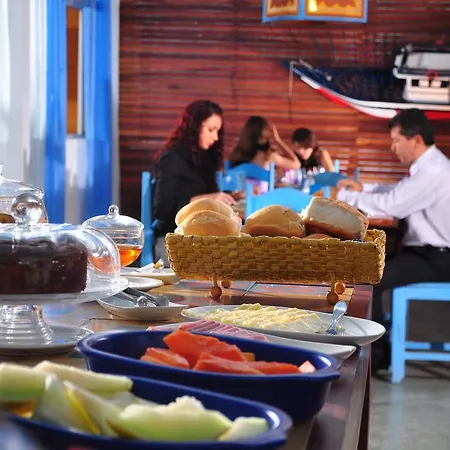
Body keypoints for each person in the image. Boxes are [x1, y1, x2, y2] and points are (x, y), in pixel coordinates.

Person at [336, 108, 450, 371]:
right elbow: (398, 191)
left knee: (369, 277)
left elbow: (393, 205)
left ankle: (376, 355)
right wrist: (363, 188)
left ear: (416, 139)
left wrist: (346, 197)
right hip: (426, 254)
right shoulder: (428, 166)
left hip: (437, 258)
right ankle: (376, 346)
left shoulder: (433, 170)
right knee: (368, 266)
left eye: (397, 140)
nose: (393, 147)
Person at [153, 100, 235, 265]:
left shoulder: (203, 158)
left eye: (217, 131)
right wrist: (205, 200)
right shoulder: (172, 159)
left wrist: (232, 195)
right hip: (174, 239)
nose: (215, 137)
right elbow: (163, 211)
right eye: (211, 130)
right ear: (194, 127)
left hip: (199, 238)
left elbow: (202, 193)